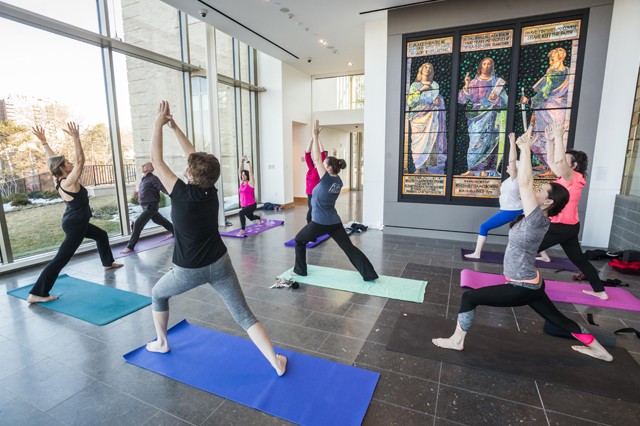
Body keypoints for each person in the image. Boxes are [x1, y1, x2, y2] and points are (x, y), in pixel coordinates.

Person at [433, 127, 612, 362]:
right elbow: (529, 183)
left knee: (469, 298)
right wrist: (526, 149)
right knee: (559, 319)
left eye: (542, 191)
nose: (536, 189)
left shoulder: (537, 218)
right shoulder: (540, 216)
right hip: (533, 283)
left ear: (548, 202)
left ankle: (457, 341)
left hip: (521, 287)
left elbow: (526, 184)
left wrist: (525, 149)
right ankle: (601, 351)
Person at [144, 101, 287, 376]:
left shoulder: (181, 194)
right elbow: (196, 157)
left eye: (188, 168)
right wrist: (175, 128)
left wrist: (158, 123)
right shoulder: (212, 191)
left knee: (157, 294)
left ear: (189, 175)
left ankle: (162, 342)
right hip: (220, 262)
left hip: (188, 270)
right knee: (244, 315)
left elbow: (156, 159)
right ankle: (275, 361)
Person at [27, 123, 123, 304]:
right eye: (67, 162)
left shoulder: (60, 178)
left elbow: (52, 159)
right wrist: (76, 138)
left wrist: (45, 142)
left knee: (101, 235)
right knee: (61, 258)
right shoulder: (69, 182)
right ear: (63, 168)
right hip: (76, 225)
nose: (71, 163)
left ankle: (107, 263)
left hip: (75, 221)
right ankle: (37, 293)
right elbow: (80, 161)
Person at [292, 120, 378, 281]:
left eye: (325, 164)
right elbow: (320, 160)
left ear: (329, 168)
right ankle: (369, 273)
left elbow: (317, 158)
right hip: (334, 222)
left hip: (320, 222)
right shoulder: (338, 181)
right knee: (349, 248)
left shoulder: (325, 180)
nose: (322, 165)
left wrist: (315, 136)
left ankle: (300, 270)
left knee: (299, 240)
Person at [536, 121, 608, 300]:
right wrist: (550, 142)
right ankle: (600, 291)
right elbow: (554, 161)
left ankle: (522, 281)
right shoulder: (564, 177)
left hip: (561, 227)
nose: (561, 164)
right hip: (570, 226)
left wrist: (560, 137)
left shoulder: (573, 177)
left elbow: (559, 162)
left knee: (527, 248)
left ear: (573, 165)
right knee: (579, 260)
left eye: (566, 161)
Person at [464, 132, 523, 259]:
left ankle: (477, 253)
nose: (507, 166)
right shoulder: (511, 180)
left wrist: (512, 143)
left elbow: (512, 161)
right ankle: (544, 256)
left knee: (484, 227)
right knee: (523, 232)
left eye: (511, 166)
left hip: (511, 211)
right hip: (514, 209)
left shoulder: (516, 178)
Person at [520, 48, 569, 177]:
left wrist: (528, 101)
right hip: (557, 110)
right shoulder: (566, 72)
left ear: (560, 59)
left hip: (549, 111)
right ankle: (545, 163)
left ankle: (551, 167)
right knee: (542, 137)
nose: (551, 62)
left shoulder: (554, 75)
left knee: (545, 137)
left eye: (552, 59)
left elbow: (542, 94)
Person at [457, 57, 508, 177]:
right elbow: (462, 100)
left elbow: (505, 100)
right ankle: (472, 169)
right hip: (476, 116)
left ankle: (486, 170)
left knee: (489, 142)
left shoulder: (496, 82)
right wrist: (466, 85)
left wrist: (498, 99)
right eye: (484, 64)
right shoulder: (473, 82)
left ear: (492, 67)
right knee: (475, 142)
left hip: (492, 115)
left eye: (489, 64)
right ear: (481, 66)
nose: (487, 66)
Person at [121, 162, 173, 253]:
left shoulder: (153, 178)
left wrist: (173, 195)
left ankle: (130, 246)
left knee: (138, 223)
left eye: (145, 165)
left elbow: (162, 188)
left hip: (151, 206)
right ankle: (176, 232)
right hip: (144, 206)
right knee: (159, 220)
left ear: (150, 168)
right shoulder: (144, 179)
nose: (142, 166)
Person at [406, 62, 447, 174]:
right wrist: (421, 90)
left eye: (430, 67)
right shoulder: (415, 85)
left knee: (432, 141)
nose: (428, 69)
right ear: (421, 70)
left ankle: (429, 169)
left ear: (432, 72)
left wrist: (438, 103)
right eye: (426, 67)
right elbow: (410, 102)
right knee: (418, 144)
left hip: (432, 117)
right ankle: (419, 168)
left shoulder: (435, 85)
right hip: (418, 118)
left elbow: (437, 101)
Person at [305, 134, 327, 223]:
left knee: (314, 208)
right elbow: (307, 152)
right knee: (311, 208)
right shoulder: (310, 168)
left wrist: (318, 138)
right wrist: (313, 137)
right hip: (309, 192)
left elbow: (323, 152)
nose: (315, 158)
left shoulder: (321, 169)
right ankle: (310, 223)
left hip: (317, 192)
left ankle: (313, 223)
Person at [237, 155, 261, 235]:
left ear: (247, 176)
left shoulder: (251, 183)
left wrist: (247, 161)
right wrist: (241, 161)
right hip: (244, 205)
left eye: (244, 175)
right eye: (242, 175)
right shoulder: (242, 183)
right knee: (251, 218)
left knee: (241, 213)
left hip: (251, 205)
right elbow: (239, 172)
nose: (242, 176)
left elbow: (251, 172)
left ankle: (243, 229)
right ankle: (259, 218)